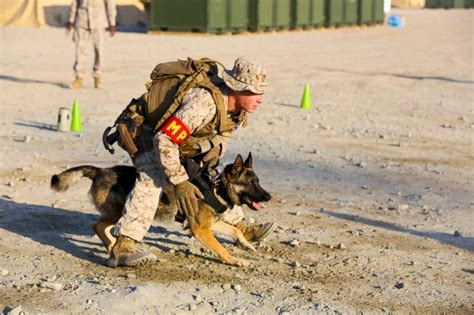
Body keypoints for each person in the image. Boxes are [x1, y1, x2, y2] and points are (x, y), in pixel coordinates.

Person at [108, 57, 277, 268]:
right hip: (146, 131)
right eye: (253, 92)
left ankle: (238, 227)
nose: (260, 98)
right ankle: (123, 246)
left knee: (211, 178)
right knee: (153, 177)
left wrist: (204, 164)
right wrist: (180, 182)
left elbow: (219, 139)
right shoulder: (203, 104)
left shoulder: (237, 108)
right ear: (236, 88)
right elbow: (165, 139)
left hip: (183, 142)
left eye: (261, 92)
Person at [66, 0, 117, 89]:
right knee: (80, 51)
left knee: (99, 51)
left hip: (98, 22)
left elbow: (110, 3)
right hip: (82, 21)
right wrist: (71, 20)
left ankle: (97, 76)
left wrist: (112, 22)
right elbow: (75, 3)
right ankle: (79, 78)